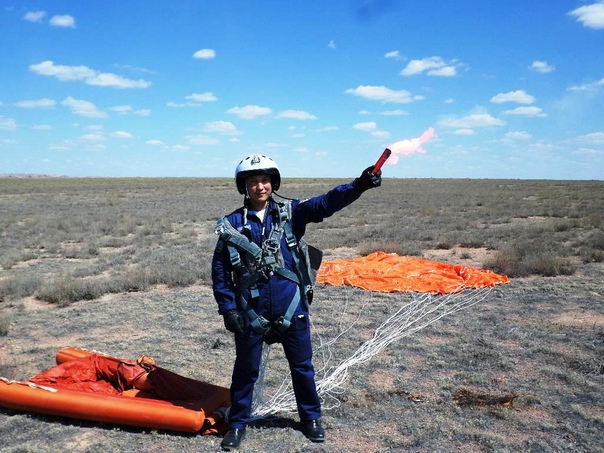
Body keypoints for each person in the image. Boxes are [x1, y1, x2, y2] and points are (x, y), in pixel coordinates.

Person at [212, 154, 381, 450]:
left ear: (273, 184)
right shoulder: (232, 225)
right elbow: (220, 272)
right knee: (246, 370)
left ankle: (311, 418)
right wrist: (228, 309)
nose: (260, 187)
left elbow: (326, 203)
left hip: (292, 307)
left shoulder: (292, 213)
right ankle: (237, 424)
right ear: (244, 187)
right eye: (253, 182)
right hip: (251, 312)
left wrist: (359, 185)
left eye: (265, 181)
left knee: (302, 367)